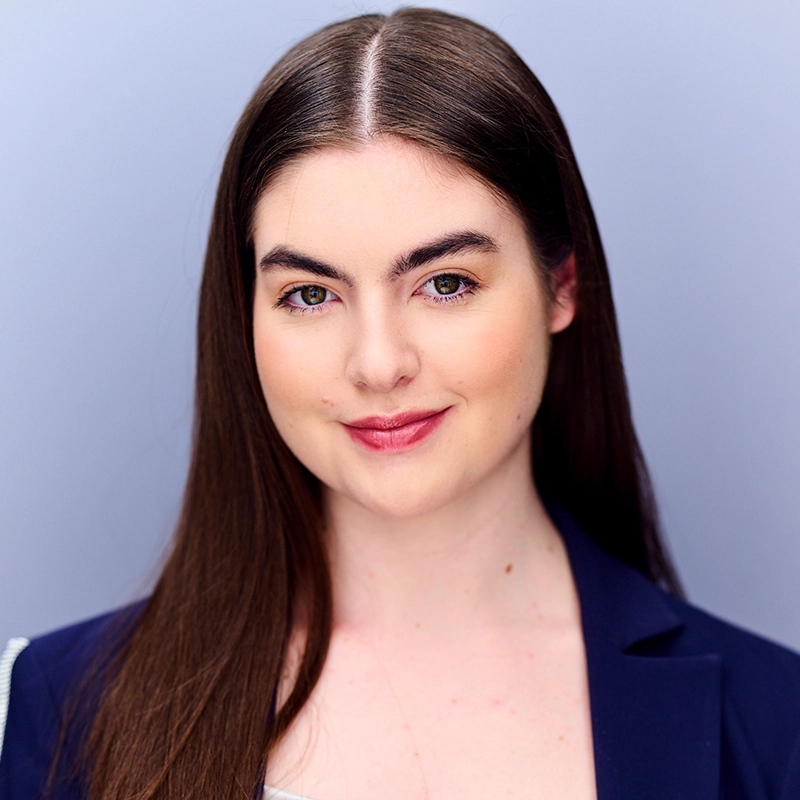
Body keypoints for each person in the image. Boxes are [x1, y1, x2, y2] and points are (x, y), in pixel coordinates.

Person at [1, 7, 799, 799]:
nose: (379, 365)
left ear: (562, 286)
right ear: (244, 316)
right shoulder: (62, 705)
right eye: (310, 294)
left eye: (445, 283)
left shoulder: (774, 726)